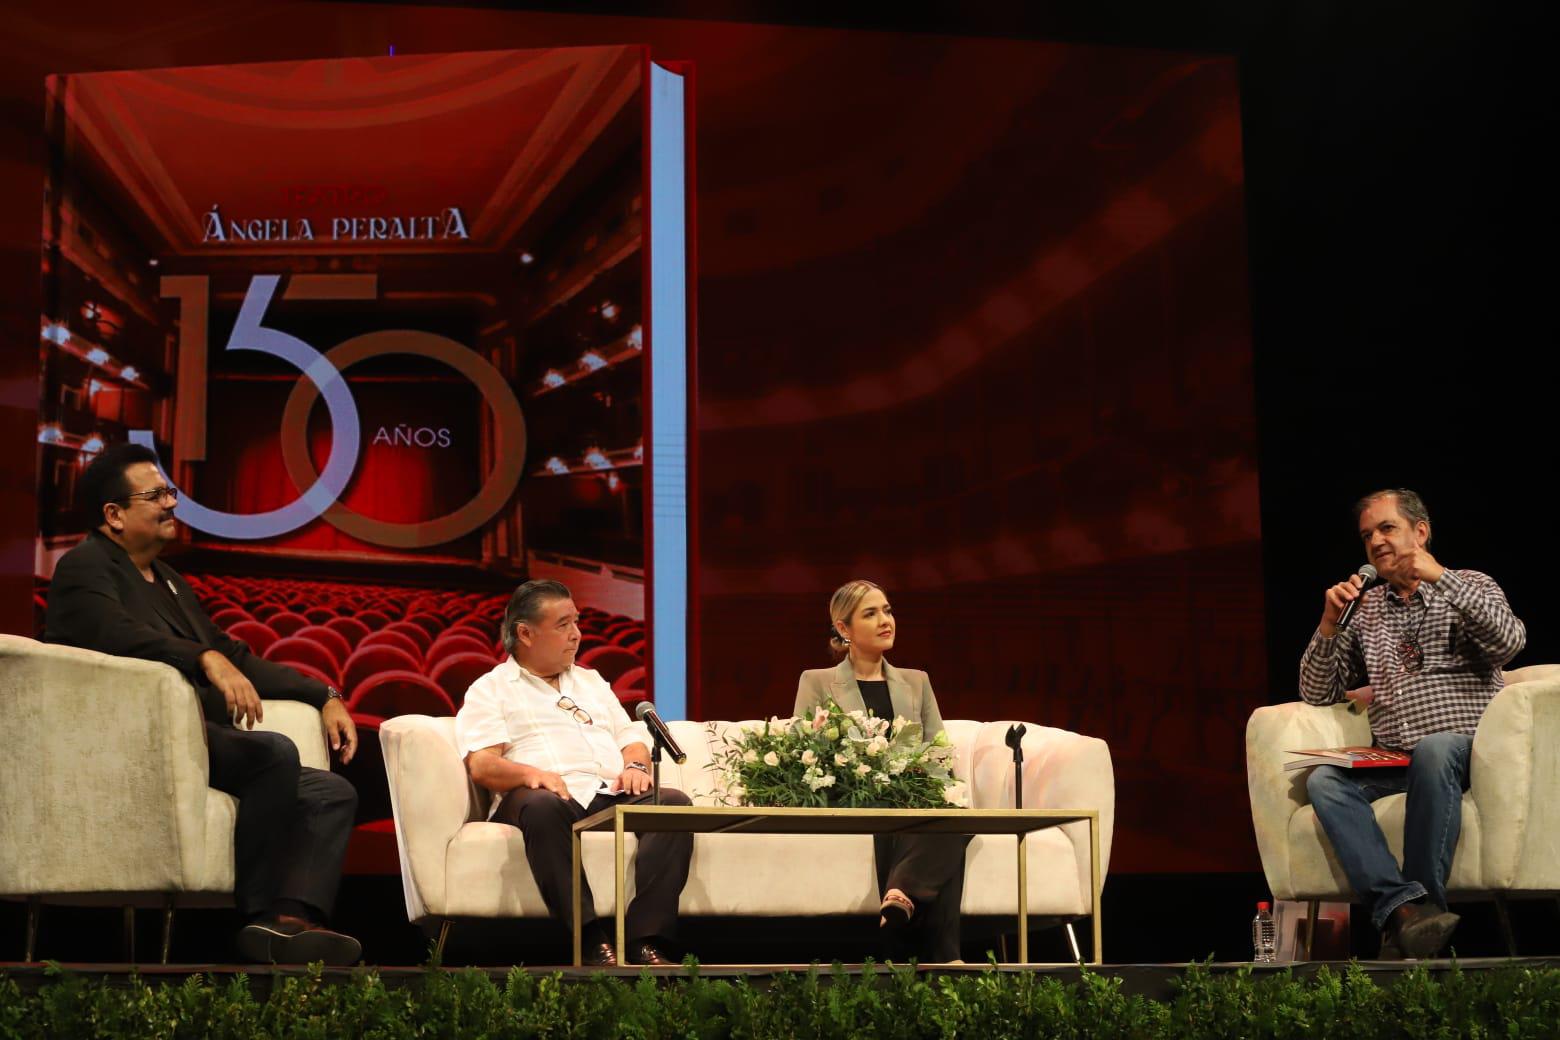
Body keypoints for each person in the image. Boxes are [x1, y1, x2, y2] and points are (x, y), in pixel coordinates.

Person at [43, 442, 362, 965]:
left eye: (170, 491)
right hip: (131, 740)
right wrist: (204, 660)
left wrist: (323, 693)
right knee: (273, 754)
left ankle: (290, 922)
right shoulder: (85, 567)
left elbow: (236, 654)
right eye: (156, 495)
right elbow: (114, 634)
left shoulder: (168, 581)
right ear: (114, 515)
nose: (171, 503)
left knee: (330, 791)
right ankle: (255, 917)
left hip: (188, 739)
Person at [1299, 488, 1525, 959]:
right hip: (1397, 755)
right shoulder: (1366, 610)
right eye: (1367, 536)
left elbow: (1509, 643)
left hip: (1467, 750)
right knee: (1325, 779)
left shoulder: (1470, 584)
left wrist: (1440, 577)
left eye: (1387, 528)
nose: (1376, 542)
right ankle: (1406, 913)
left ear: (1420, 532)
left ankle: (1424, 907)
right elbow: (1317, 693)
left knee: (1435, 748)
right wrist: (1328, 625)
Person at [456, 579, 691, 966]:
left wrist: (634, 764)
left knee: (671, 804)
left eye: (577, 623)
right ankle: (590, 938)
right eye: (563, 625)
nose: (576, 635)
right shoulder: (491, 689)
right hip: (542, 795)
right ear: (525, 633)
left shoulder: (591, 681)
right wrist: (531, 773)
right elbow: (483, 764)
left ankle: (646, 941)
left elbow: (630, 736)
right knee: (543, 805)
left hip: (602, 791)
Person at [794, 579, 969, 963]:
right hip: (851, 795)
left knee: (957, 815)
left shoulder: (917, 682)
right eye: (870, 613)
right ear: (844, 628)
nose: (884, 620)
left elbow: (939, 751)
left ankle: (899, 899)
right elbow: (804, 749)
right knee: (917, 821)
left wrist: (932, 788)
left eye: (887, 610)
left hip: (909, 795)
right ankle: (943, 954)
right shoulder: (817, 681)